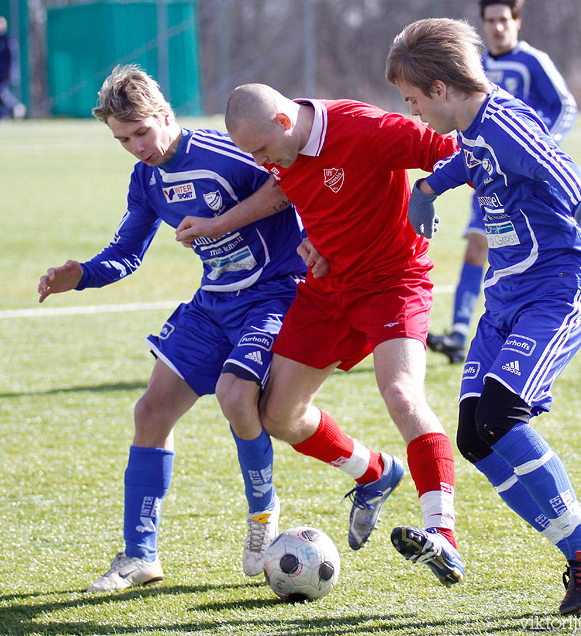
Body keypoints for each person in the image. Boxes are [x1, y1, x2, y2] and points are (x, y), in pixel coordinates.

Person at [386, 17, 581, 614]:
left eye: (413, 101)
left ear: (441, 89)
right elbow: (468, 161)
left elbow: (554, 164)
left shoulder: (504, 119)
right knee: (475, 435)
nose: (414, 112)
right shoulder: (473, 129)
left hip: (554, 292)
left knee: (502, 414)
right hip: (505, 298)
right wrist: (428, 189)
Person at [37, 65, 320, 591]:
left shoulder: (225, 152)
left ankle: (262, 514)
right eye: (122, 139)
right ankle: (139, 555)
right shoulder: (146, 180)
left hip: (274, 292)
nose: (136, 146)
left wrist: (311, 245)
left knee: (237, 400)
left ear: (166, 115)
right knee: (150, 411)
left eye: (142, 132)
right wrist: (80, 275)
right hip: (214, 301)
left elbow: (291, 187)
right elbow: (126, 254)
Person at [176, 83, 467, 586]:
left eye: (263, 151)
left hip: (392, 282)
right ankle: (373, 472)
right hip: (327, 287)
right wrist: (222, 225)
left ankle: (442, 535)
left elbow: (459, 148)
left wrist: (427, 192)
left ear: (285, 123)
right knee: (278, 415)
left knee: (401, 393)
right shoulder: (278, 152)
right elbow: (283, 191)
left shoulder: (365, 128)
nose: (262, 161)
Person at [427, 0, 581, 365]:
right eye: (489, 21)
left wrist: (536, 145)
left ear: (517, 22)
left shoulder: (532, 61)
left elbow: (565, 105)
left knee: (536, 240)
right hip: (486, 174)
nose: (497, 28)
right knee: (479, 246)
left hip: (527, 175)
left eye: (503, 20)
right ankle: (459, 334)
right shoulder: (477, 66)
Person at [0, 15, 26, 119]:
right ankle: (3, 115)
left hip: (4, 73)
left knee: (2, 92)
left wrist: (11, 73)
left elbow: (13, 58)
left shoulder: (8, 40)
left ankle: (16, 106)